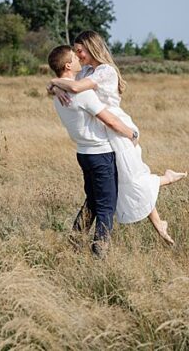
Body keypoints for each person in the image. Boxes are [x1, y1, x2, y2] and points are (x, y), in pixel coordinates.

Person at [49, 31, 187, 245]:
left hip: (117, 126)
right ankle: (161, 215)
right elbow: (71, 83)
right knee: (127, 180)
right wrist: (55, 86)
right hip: (105, 128)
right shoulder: (85, 69)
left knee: (131, 177)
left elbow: (75, 87)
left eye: (80, 50)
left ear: (91, 47)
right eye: (75, 52)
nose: (78, 55)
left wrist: (55, 82)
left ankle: (165, 190)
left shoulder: (105, 71)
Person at [47, 45, 139, 257]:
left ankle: (75, 239)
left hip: (83, 153)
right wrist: (131, 134)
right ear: (68, 65)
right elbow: (111, 121)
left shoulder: (58, 94)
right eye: (74, 57)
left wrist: (54, 84)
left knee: (93, 200)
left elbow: (57, 85)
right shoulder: (82, 93)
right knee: (107, 205)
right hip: (100, 154)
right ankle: (100, 250)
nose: (79, 59)